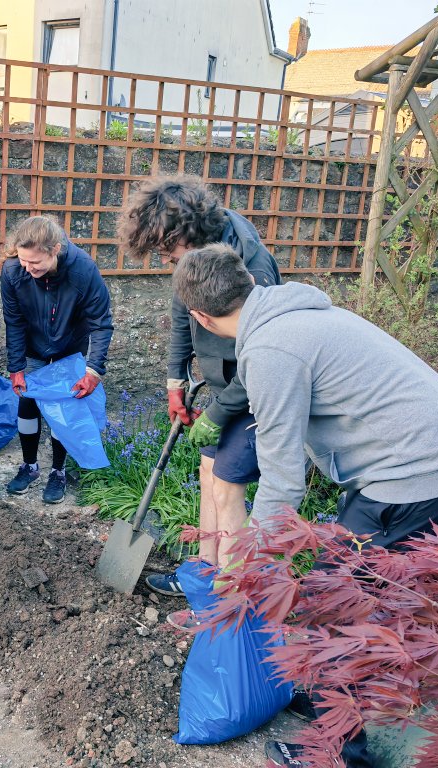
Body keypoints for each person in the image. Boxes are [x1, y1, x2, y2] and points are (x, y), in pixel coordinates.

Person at [172, 244, 438, 768]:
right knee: (361, 589)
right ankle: (333, 690)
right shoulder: (299, 314)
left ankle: (341, 754)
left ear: (200, 316)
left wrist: (252, 570)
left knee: (330, 600)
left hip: (422, 476)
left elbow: (282, 481)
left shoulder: (273, 350)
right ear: (248, 282)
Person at [117, 176, 281, 594]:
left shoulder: (252, 267)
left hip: (254, 390)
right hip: (223, 387)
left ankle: (229, 596)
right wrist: (176, 379)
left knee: (227, 486)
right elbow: (182, 311)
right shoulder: (196, 258)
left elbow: (265, 357)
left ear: (186, 234)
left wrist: (220, 412)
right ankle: (203, 574)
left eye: (167, 251)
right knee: (208, 472)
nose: (167, 260)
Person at [1, 216, 114, 503]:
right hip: (32, 347)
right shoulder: (14, 270)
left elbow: (101, 323)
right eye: (24, 261)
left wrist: (93, 370)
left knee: (65, 405)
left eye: (35, 262)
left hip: (69, 346)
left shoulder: (83, 270)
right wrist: (16, 367)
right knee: (27, 402)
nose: (28, 268)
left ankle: (58, 471)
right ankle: (29, 466)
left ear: (55, 249)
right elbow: (13, 321)